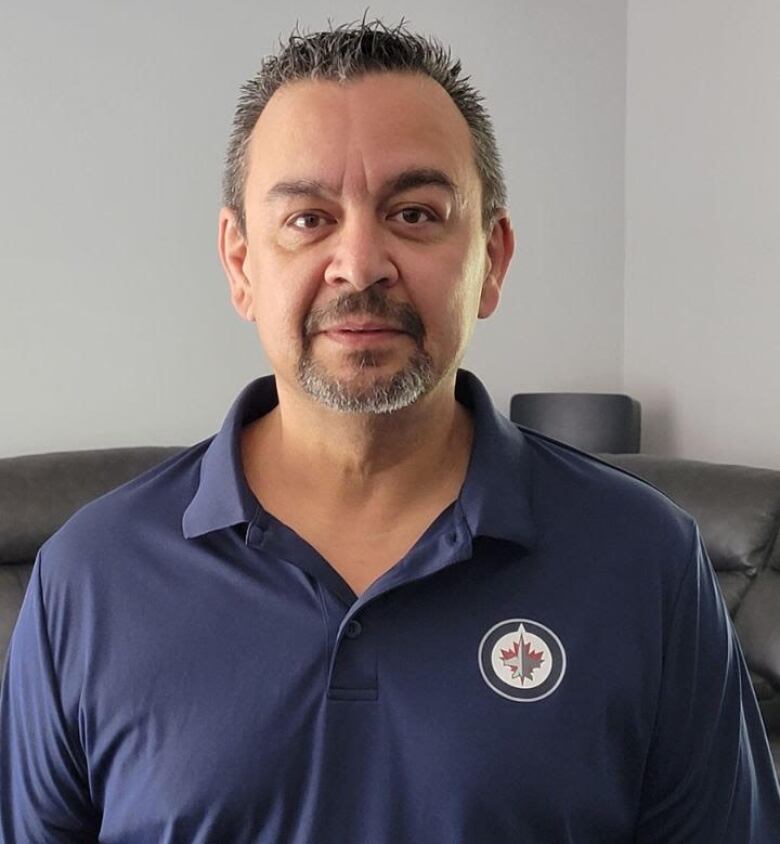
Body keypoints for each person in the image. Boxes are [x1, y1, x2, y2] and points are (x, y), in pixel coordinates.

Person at [1, 17, 779, 843]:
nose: (361, 262)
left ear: (493, 258)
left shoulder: (644, 559)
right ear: (240, 264)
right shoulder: (87, 579)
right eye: (307, 219)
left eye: (414, 213)